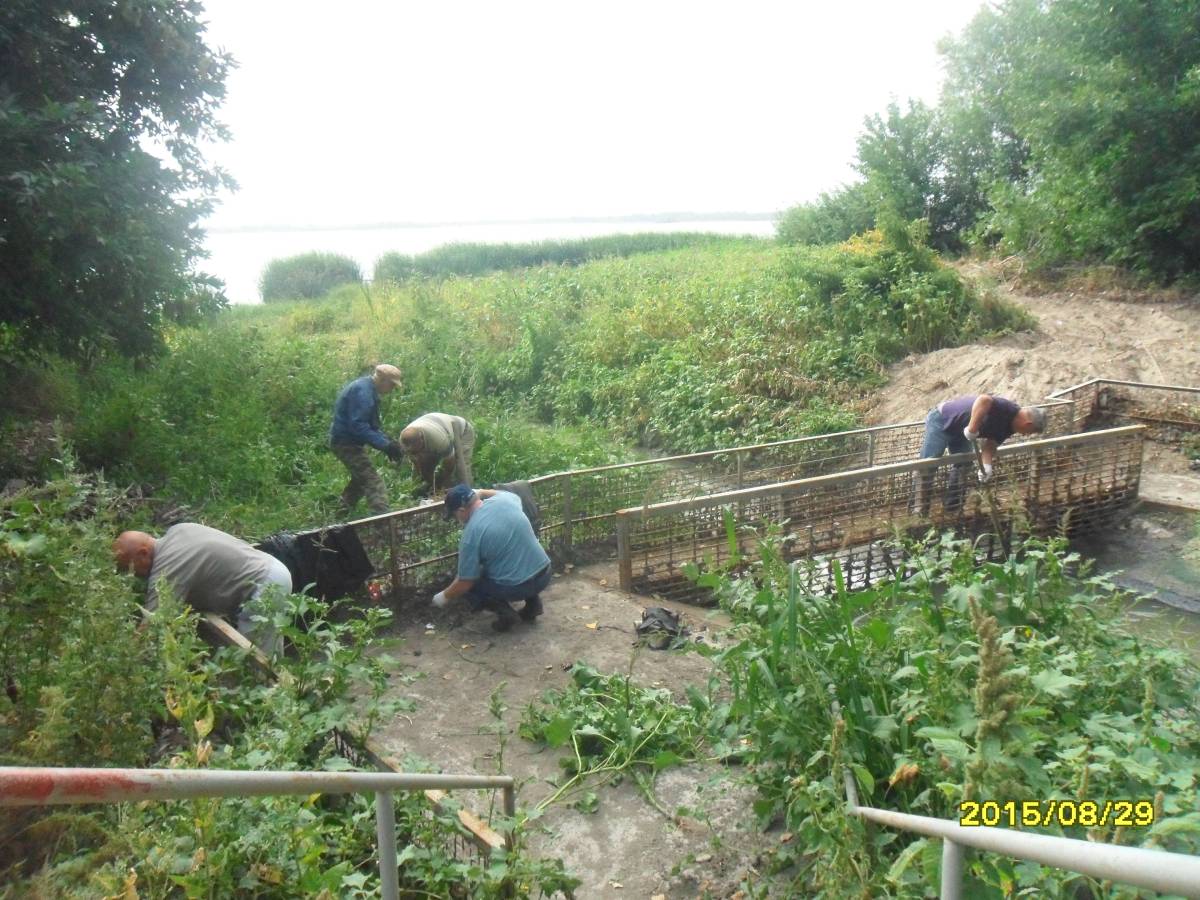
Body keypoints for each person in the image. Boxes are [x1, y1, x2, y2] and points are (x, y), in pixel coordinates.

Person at [113, 524, 293, 653]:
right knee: (266, 651)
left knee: (257, 660)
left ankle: (276, 701)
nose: (131, 574)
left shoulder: (169, 565)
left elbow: (153, 623)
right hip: (269, 569)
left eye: (128, 567)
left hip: (265, 583)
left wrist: (127, 659)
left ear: (143, 553)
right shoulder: (178, 530)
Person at [431, 484, 551, 632]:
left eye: (455, 515)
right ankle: (533, 606)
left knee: (472, 585)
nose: (456, 519)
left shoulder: (471, 535)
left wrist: (443, 597)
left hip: (518, 587)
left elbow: (465, 581)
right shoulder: (507, 500)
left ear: (461, 511)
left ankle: (506, 615)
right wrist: (481, 492)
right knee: (519, 558)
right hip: (544, 574)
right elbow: (501, 493)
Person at [914, 393, 1047, 514]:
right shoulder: (1007, 409)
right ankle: (919, 511)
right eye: (1029, 432)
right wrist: (972, 428)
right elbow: (984, 400)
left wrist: (987, 465)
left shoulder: (1010, 427)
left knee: (964, 465)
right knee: (928, 464)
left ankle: (952, 509)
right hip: (942, 420)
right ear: (1028, 423)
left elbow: (990, 444)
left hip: (960, 431)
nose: (1024, 434)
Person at [329, 364, 405, 516]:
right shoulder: (363, 393)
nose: (391, 390)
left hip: (345, 440)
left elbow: (371, 427)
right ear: (383, 380)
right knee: (373, 482)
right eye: (392, 385)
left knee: (360, 480)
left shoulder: (367, 389)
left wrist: (389, 443)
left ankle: (339, 515)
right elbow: (358, 426)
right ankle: (381, 521)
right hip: (345, 442)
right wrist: (385, 446)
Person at [399, 413, 476, 496]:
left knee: (461, 468)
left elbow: (449, 464)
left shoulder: (439, 440)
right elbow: (417, 464)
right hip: (437, 427)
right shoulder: (405, 442)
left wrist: (443, 484)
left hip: (462, 431)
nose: (417, 455)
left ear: (421, 440)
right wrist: (430, 482)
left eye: (418, 451)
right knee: (423, 470)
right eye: (414, 453)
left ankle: (469, 495)